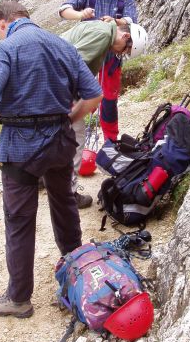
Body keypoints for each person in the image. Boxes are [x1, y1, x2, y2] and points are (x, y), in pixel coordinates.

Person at [0, 1, 102, 318]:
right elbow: (95, 94)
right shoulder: (62, 44)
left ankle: (18, 299)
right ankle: (77, 267)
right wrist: (69, 117)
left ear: (2, 23)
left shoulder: (7, 48)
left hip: (20, 148)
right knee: (64, 202)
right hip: (60, 141)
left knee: (19, 220)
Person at [60, 19, 148, 208]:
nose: (122, 53)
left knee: (53, 131)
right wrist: (86, 95)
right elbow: (73, 63)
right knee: (75, 135)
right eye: (126, 49)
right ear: (125, 36)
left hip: (52, 80)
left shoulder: (100, 30)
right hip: (58, 84)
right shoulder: (103, 36)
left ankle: (43, 177)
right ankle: (68, 193)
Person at [59, 0, 138, 143]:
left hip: (111, 58)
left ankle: (110, 141)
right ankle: (71, 134)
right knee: (76, 93)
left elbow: (131, 23)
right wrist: (80, 14)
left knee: (109, 99)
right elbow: (63, 10)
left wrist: (116, 21)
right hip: (86, 51)